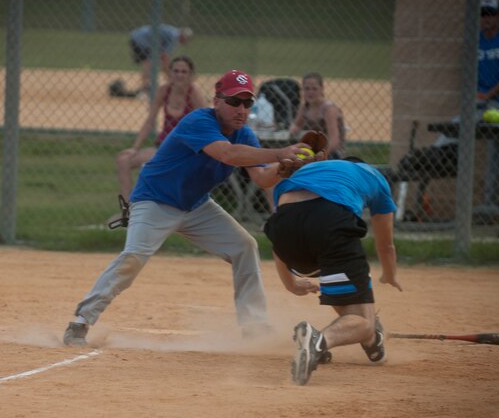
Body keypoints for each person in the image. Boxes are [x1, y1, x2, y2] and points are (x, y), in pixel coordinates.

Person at [62, 69, 316, 347]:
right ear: (217, 100)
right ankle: (81, 321)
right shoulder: (198, 121)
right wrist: (279, 153)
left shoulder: (245, 135)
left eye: (247, 103)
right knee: (134, 256)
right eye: (234, 101)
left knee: (244, 246)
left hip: (196, 206)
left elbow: (261, 177)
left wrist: (286, 167)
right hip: (154, 200)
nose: (241, 109)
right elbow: (226, 154)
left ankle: (254, 326)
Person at [263, 157, 403, 386]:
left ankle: (369, 337)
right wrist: (390, 274)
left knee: (353, 306)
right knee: (362, 320)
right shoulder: (375, 177)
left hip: (287, 238)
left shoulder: (307, 172)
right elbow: (385, 246)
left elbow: (280, 236)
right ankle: (319, 341)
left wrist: (291, 283)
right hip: (329, 223)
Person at [431, 0, 499, 222]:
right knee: (471, 134)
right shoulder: (475, 40)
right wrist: (475, 96)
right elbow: (471, 75)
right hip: (483, 103)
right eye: (483, 14)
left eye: (491, 14)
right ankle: (487, 201)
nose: (486, 18)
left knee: (495, 142)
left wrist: (488, 95)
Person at [115, 55, 206, 201]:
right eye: (175, 71)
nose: (179, 75)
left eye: (184, 72)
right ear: (169, 73)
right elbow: (150, 121)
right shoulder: (164, 91)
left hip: (184, 150)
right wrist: (135, 147)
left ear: (191, 75)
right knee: (123, 159)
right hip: (163, 147)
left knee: (151, 168)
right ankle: (127, 210)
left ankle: (154, 208)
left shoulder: (194, 94)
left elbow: (205, 125)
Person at [288, 72, 346, 159]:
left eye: (314, 89)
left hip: (332, 153)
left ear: (322, 89)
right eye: (307, 89)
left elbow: (334, 141)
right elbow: (296, 126)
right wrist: (293, 130)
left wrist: (320, 155)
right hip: (314, 151)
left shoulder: (328, 109)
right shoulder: (305, 107)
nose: (310, 92)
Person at [128, 24, 193, 96]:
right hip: (141, 39)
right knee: (149, 62)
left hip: (139, 37)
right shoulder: (173, 37)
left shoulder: (174, 32)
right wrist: (171, 76)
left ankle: (146, 87)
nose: (184, 42)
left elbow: (163, 56)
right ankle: (145, 89)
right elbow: (165, 57)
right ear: (182, 36)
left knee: (150, 61)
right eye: (185, 39)